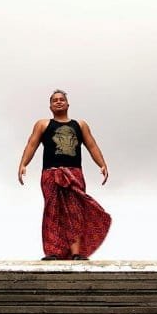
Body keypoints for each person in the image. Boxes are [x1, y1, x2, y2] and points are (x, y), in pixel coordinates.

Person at [18, 89, 112, 260]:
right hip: (50, 173)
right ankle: (52, 252)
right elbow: (31, 145)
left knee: (75, 212)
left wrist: (102, 164)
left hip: (74, 173)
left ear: (68, 104)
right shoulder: (42, 124)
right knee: (52, 211)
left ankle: (76, 253)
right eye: (55, 100)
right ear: (50, 106)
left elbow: (92, 146)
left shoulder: (80, 125)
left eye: (62, 99)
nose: (59, 102)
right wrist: (23, 164)